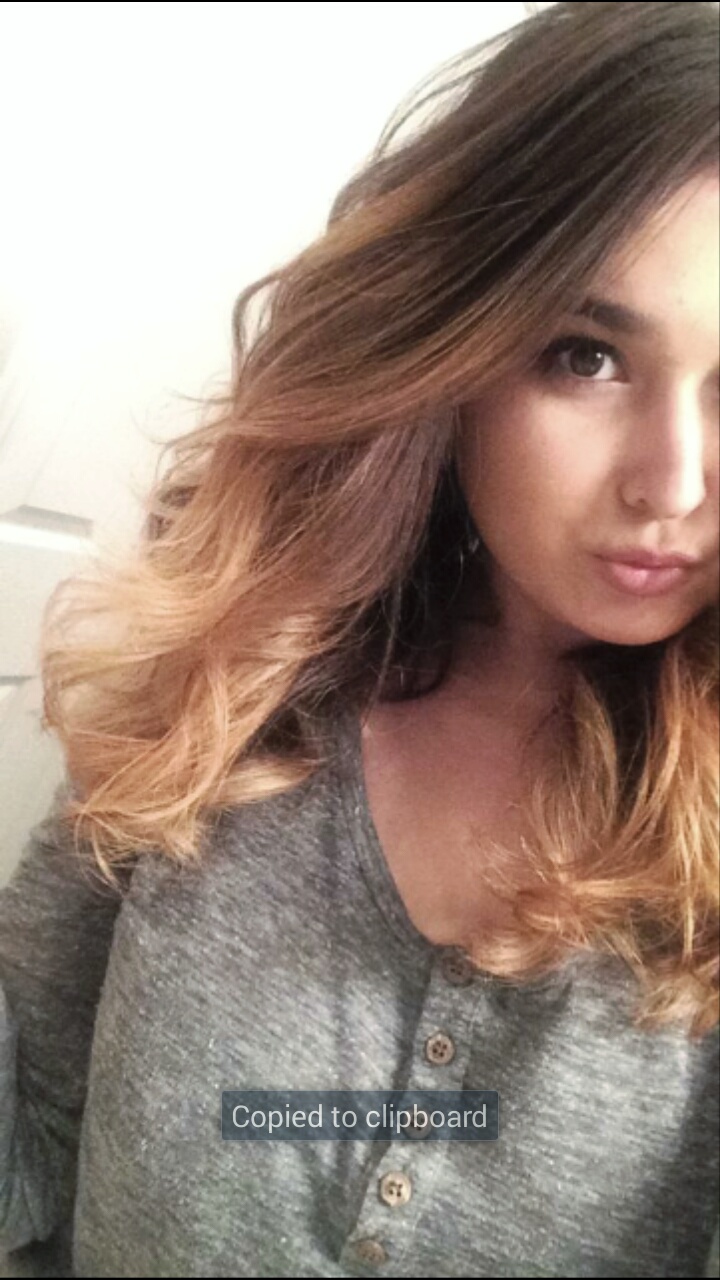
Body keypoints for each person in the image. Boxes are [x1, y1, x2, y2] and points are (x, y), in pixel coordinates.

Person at [1, 2, 718, 1276]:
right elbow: (29, 1108)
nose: (672, 482)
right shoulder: (230, 674)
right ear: (457, 343)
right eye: (587, 355)